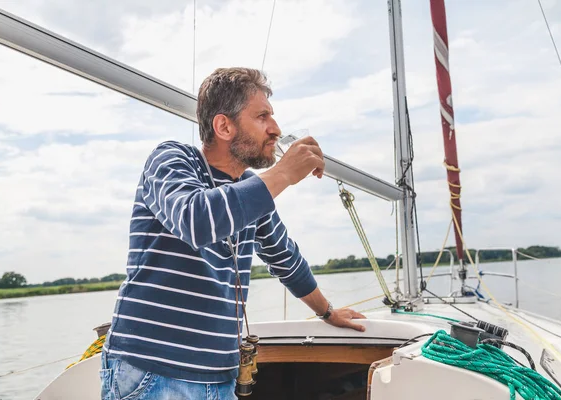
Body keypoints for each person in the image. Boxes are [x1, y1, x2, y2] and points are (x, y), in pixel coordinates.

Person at [100, 67, 367, 400]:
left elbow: (286, 259)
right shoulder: (171, 159)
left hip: (219, 376)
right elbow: (194, 220)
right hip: (154, 373)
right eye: (262, 117)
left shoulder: (249, 192)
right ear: (224, 126)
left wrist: (328, 312)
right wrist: (283, 173)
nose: (276, 129)